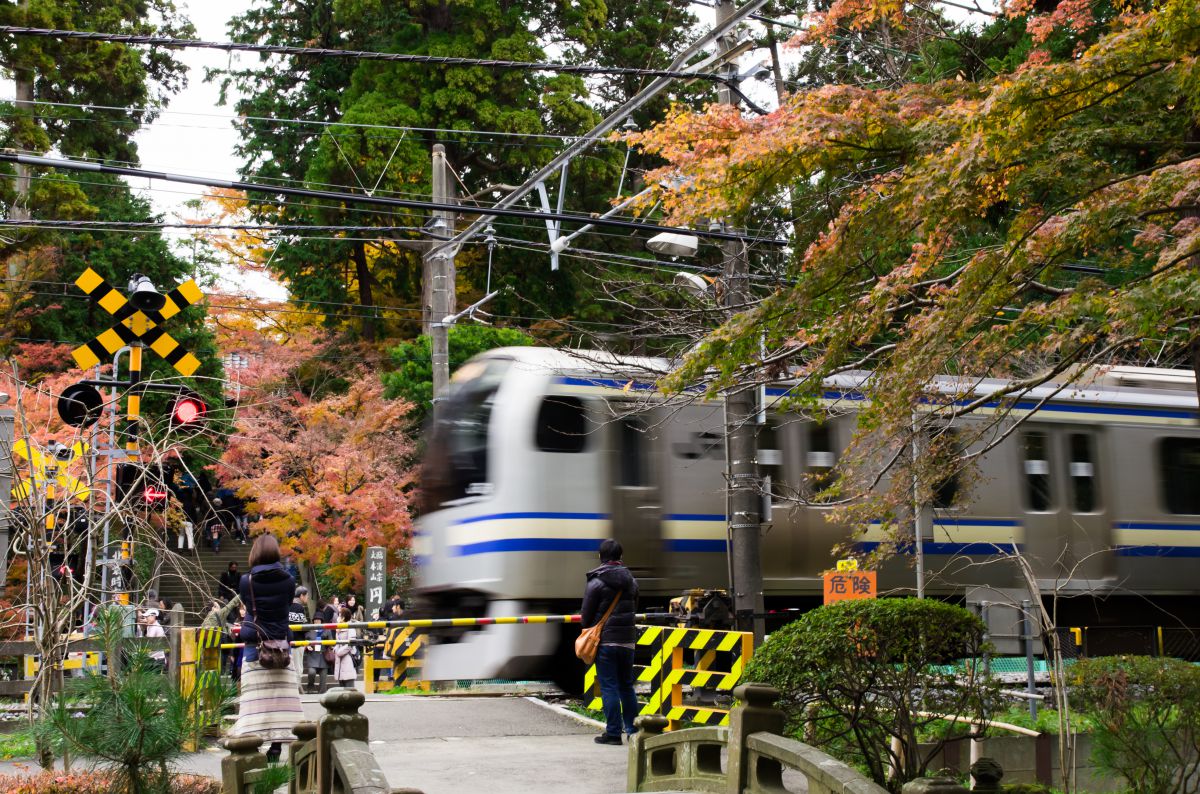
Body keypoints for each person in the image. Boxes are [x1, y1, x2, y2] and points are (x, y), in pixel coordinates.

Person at [230, 533, 303, 763]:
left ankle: (252, 742)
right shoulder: (289, 581)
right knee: (280, 700)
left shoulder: (246, 581)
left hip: (256, 645)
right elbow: (287, 604)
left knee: (254, 699)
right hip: (281, 646)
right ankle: (276, 746)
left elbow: (250, 607)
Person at [580, 538, 639, 745]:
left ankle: (613, 733)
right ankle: (632, 731)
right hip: (627, 641)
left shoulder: (596, 581)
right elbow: (634, 608)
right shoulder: (631, 581)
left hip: (606, 642)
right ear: (620, 557)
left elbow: (585, 616)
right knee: (626, 686)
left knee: (609, 687)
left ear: (601, 556)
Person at [332, 606, 357, 689]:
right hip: (339, 658)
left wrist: (339, 652)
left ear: (344, 617)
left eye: (340, 615)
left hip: (347, 658)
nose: (338, 617)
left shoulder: (350, 627)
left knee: (349, 686)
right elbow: (337, 642)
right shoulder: (338, 628)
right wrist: (335, 649)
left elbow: (351, 644)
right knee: (341, 687)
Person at [288, 586, 310, 682]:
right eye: (307, 596)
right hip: (298, 641)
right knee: (298, 668)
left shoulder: (287, 605)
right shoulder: (299, 607)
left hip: (287, 641)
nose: (307, 598)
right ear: (301, 596)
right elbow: (303, 627)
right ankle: (296, 689)